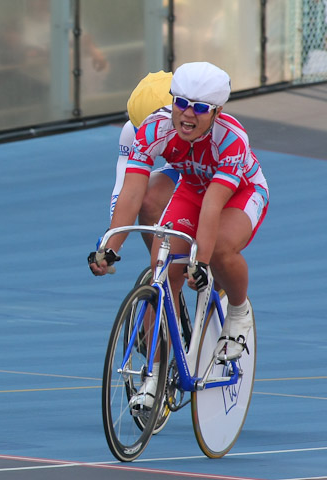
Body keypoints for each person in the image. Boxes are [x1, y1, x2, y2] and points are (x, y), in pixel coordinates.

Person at [89, 61, 269, 409]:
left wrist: (199, 262)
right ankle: (154, 379)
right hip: (192, 189)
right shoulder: (153, 129)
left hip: (239, 193)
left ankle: (238, 310)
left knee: (218, 250)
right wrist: (110, 246)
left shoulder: (231, 140)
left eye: (200, 108)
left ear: (216, 111)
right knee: (161, 271)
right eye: (182, 104)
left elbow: (214, 206)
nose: (188, 115)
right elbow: (130, 194)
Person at [109, 70, 176, 250]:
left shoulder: (193, 126)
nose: (148, 136)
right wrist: (113, 237)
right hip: (177, 165)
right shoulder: (130, 130)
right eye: (142, 131)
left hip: (206, 169)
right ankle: (162, 269)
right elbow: (124, 186)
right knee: (147, 200)